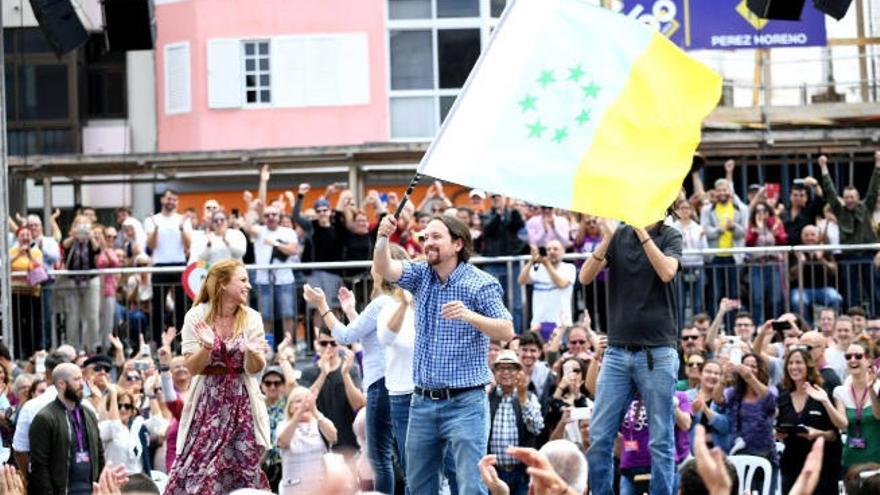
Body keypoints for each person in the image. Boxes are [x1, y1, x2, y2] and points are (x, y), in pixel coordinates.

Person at [374, 213, 514, 494]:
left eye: (436, 236)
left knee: (470, 487)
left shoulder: (481, 283)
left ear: (458, 244)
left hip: (465, 403)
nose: (428, 243)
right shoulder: (420, 274)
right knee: (419, 486)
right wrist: (381, 238)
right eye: (425, 237)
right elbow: (385, 268)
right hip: (422, 402)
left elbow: (507, 331)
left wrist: (470, 315)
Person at [578, 214, 682, 495]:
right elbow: (585, 276)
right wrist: (607, 238)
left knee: (660, 440)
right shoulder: (617, 235)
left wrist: (641, 233)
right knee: (599, 436)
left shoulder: (670, 235)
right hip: (617, 351)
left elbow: (667, 272)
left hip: (658, 352)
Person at [303, 245, 403, 494]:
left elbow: (345, 335)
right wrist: (350, 311)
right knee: (399, 455)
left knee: (379, 457)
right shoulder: (397, 301)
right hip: (395, 383)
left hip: (381, 384)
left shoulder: (381, 302)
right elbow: (372, 339)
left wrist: (322, 305)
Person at [164, 259, 271, 494]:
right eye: (243, 280)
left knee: (244, 467)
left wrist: (253, 354)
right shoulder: (196, 316)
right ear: (222, 283)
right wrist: (207, 347)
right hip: (207, 402)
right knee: (201, 467)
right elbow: (192, 367)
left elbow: (255, 368)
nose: (249, 286)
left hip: (242, 401)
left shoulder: (252, 317)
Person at [776, 347, 847, 495]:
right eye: (790, 363)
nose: (794, 367)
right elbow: (779, 426)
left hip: (822, 466)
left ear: (808, 366)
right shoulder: (783, 397)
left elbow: (836, 433)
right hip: (792, 465)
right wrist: (779, 434)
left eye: (798, 362)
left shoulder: (821, 393)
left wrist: (817, 433)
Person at [29, 363, 104, 494]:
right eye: (76, 379)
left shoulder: (88, 414)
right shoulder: (45, 418)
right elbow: (39, 466)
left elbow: (99, 453)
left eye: (81, 378)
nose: (82, 384)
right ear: (61, 384)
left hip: (91, 490)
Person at [818, 152, 880, 307]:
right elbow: (830, 191)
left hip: (866, 256)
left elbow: (873, 187)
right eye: (847, 197)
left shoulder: (866, 207)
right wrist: (823, 167)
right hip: (848, 257)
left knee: (872, 290)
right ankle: (851, 316)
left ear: (858, 197)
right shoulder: (840, 210)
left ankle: (876, 317)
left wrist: (878, 164)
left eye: (852, 197)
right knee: (850, 292)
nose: (849, 200)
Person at [297, 329, 364, 455]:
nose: (329, 347)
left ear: (339, 344)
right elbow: (302, 403)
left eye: (333, 343)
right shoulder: (308, 371)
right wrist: (323, 374)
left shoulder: (351, 368)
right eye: (324, 343)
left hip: (347, 443)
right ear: (317, 344)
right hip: (316, 443)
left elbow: (358, 404)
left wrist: (345, 374)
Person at [487, 350, 545, 495]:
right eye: (501, 368)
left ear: (519, 372)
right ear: (495, 372)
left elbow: (537, 428)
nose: (506, 372)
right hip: (494, 471)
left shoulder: (529, 397)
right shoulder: (487, 398)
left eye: (511, 368)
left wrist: (523, 398)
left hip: (522, 472)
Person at [242, 204, 299, 347]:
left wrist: (274, 243)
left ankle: (289, 346)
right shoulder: (260, 231)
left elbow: (293, 250)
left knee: (287, 314)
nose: (271, 217)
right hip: (264, 281)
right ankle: (266, 346)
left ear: (279, 217)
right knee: (265, 316)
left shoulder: (288, 232)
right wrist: (251, 207)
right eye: (267, 215)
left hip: (284, 280)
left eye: (274, 214)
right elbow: (247, 226)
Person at [144, 189, 192, 339]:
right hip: (160, 266)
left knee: (182, 307)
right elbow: (151, 246)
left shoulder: (183, 219)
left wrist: (182, 227)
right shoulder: (152, 220)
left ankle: (180, 342)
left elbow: (188, 245)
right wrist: (156, 228)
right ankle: (158, 342)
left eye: (175, 199)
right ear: (162, 200)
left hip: (179, 265)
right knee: (158, 307)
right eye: (169, 199)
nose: (171, 202)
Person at [277, 386, 337, 494]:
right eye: (298, 401)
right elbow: (282, 442)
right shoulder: (283, 425)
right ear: (290, 407)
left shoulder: (320, 422)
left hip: (320, 488)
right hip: (294, 489)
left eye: (306, 401)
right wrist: (299, 413)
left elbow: (333, 437)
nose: (304, 404)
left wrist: (315, 411)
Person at [701, 173, 748, 309]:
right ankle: (715, 323)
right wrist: (719, 230)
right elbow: (705, 231)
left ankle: (732, 323)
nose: (722, 193)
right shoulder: (707, 210)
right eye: (719, 190)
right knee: (715, 293)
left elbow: (744, 232)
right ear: (715, 192)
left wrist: (733, 226)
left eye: (725, 189)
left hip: (733, 257)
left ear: (730, 191)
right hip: (715, 257)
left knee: (733, 293)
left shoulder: (740, 209)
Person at [481, 194, 527, 331]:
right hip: (493, 264)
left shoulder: (513, 213)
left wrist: (509, 210)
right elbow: (489, 230)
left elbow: (518, 225)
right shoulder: (486, 215)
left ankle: (517, 333)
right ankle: (497, 335)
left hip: (512, 263)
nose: (496, 199)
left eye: (499, 196)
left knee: (516, 303)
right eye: (493, 196)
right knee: (494, 302)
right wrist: (498, 214)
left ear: (505, 198)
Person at [832, 341, 880, 471]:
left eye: (858, 356)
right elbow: (842, 424)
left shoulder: (878, 387)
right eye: (848, 356)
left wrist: (871, 390)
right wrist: (825, 402)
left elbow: (878, 415)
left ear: (868, 360)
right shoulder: (840, 391)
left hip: (877, 461)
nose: (852, 360)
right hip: (851, 461)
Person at [62, 215, 102, 351]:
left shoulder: (91, 240)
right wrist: (74, 236)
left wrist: (90, 236)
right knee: (73, 316)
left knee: (92, 315)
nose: (82, 228)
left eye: (85, 225)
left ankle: (92, 346)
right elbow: (64, 245)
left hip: (91, 280)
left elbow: (97, 250)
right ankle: (72, 347)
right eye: (79, 224)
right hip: (73, 281)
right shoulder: (71, 240)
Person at [517, 240, 576, 330]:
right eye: (548, 250)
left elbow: (561, 284)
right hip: (538, 324)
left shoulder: (569, 268)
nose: (551, 252)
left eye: (555, 249)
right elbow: (522, 280)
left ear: (563, 251)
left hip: (561, 323)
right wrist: (531, 261)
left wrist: (547, 264)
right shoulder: (538, 268)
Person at [745, 200, 787, 321]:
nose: (761, 213)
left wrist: (776, 234)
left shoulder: (776, 225)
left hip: (773, 264)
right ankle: (758, 325)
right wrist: (757, 231)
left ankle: (774, 325)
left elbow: (783, 241)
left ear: (769, 213)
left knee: (775, 299)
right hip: (757, 265)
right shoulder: (751, 227)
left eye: (764, 210)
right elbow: (749, 243)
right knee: (757, 298)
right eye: (758, 211)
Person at [789, 225, 843, 321]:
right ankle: (806, 329)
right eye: (806, 235)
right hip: (802, 289)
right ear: (802, 237)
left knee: (836, 298)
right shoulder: (796, 251)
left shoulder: (825, 250)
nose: (809, 237)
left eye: (813, 235)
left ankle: (832, 326)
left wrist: (822, 260)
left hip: (823, 288)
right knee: (797, 301)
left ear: (818, 236)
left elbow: (834, 270)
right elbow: (791, 276)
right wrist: (801, 263)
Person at [672, 199, 709, 326]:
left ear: (692, 210)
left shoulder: (698, 228)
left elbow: (705, 250)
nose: (684, 211)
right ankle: (680, 331)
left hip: (697, 266)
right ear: (677, 211)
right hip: (679, 267)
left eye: (687, 208)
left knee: (698, 302)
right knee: (680, 302)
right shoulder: (672, 228)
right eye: (681, 208)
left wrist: (701, 238)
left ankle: (697, 330)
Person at [9, 226, 45, 357]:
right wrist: (19, 253)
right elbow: (6, 264)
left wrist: (29, 253)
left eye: (27, 235)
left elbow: (39, 266)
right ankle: (18, 351)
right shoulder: (12, 251)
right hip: (16, 292)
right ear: (17, 237)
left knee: (33, 323)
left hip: (33, 293)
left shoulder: (36, 252)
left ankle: (33, 351)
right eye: (22, 235)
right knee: (17, 323)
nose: (25, 238)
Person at [686, 359, 730, 452]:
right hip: (692, 453)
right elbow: (682, 426)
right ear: (700, 374)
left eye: (717, 373)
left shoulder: (727, 397)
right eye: (708, 371)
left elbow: (726, 426)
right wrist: (692, 411)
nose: (712, 376)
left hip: (720, 452)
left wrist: (706, 409)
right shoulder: (687, 396)